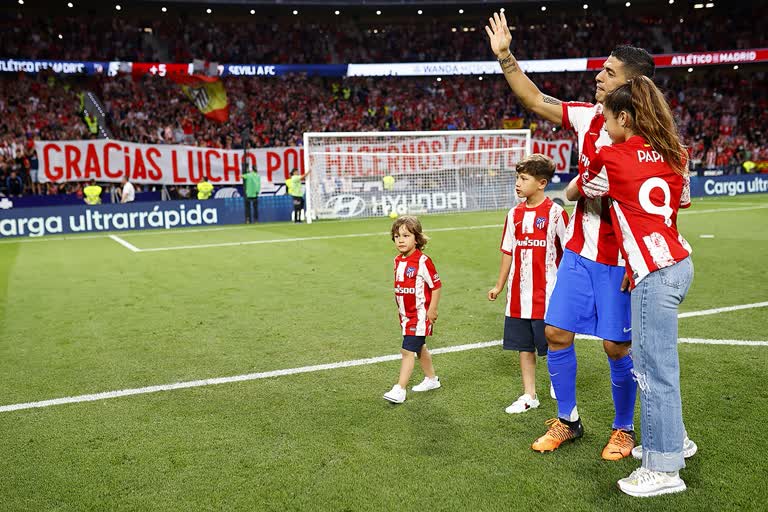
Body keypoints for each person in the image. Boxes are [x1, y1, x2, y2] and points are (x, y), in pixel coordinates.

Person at [486, 11, 670, 460]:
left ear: (631, 85)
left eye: (609, 72)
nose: (599, 76)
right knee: (555, 333)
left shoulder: (648, 141)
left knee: (615, 345)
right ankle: (568, 419)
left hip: (621, 258)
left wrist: (637, 258)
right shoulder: (589, 118)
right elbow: (534, 99)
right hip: (578, 251)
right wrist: (506, 56)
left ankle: (623, 428)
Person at [567, 76, 694, 497]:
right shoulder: (677, 153)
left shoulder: (609, 155)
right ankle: (675, 442)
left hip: (654, 275)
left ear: (624, 117)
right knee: (660, 369)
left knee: (654, 373)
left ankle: (663, 469)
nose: (603, 126)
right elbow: (679, 204)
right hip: (677, 262)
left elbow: (577, 192)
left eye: (607, 119)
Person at [488, 154, 568, 414]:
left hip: (548, 295)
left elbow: (568, 253)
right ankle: (529, 394)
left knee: (554, 343)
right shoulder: (514, 214)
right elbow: (508, 251)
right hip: (518, 296)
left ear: (542, 183)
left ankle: (559, 381)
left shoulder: (556, 213)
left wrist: (570, 289)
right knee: (524, 346)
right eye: (517, 178)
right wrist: (499, 285)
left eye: (524, 179)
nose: (518, 183)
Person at [383, 216, 442, 404]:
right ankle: (431, 379)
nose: (400, 239)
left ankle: (400, 389)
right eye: (396, 236)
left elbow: (436, 285)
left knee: (407, 351)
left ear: (416, 238)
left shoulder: (423, 261)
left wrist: (432, 310)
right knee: (419, 348)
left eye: (406, 235)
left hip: (420, 316)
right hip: (405, 316)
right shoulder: (397, 261)